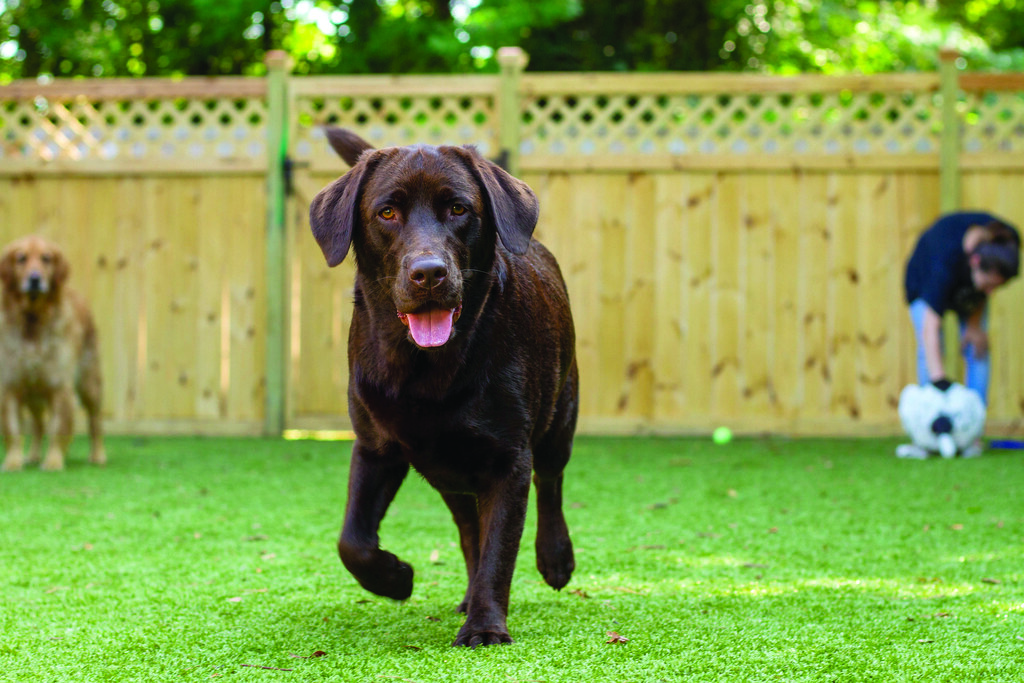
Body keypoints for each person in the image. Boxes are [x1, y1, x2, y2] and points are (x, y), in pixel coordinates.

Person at [904, 211, 1020, 412]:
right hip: (921, 282)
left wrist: (974, 326)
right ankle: (931, 424)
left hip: (966, 282)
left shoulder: (1006, 242)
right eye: (988, 286)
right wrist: (939, 381)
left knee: (978, 348)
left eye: (996, 287)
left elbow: (982, 290)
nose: (991, 293)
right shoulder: (943, 262)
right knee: (928, 351)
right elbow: (930, 327)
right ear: (974, 262)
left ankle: (973, 427)